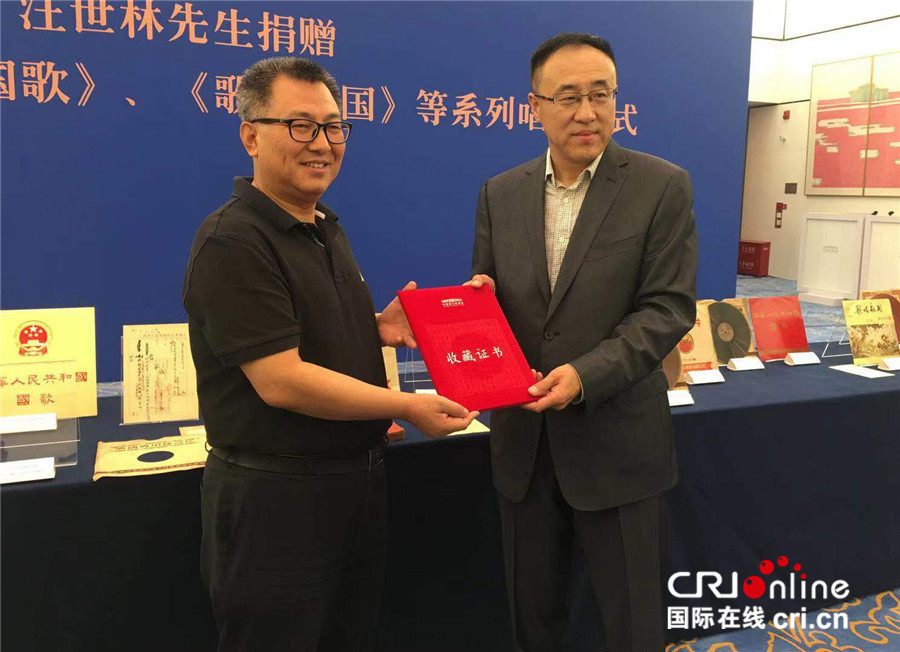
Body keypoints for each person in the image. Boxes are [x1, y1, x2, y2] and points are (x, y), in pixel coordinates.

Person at [183, 56, 478, 652]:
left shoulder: (324, 227)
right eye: (300, 125)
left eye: (334, 126)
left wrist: (376, 328)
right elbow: (281, 380)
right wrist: (407, 406)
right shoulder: (234, 240)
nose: (321, 143)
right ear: (251, 137)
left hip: (354, 489)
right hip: (276, 502)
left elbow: (300, 334)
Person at [468, 33, 698, 651]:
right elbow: (489, 294)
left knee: (633, 624)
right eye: (568, 97)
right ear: (535, 107)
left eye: (601, 94)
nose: (587, 112)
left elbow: (667, 308)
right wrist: (474, 305)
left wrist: (585, 375)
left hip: (618, 442)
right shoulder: (499, 192)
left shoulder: (661, 185)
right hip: (524, 445)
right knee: (533, 620)